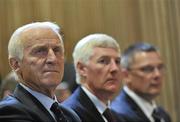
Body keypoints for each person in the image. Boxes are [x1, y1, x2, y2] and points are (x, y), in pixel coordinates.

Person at [0, 22, 81, 122]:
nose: (53, 59)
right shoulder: (9, 112)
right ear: (16, 64)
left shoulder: (70, 115)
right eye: (40, 51)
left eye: (57, 50)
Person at [62, 33, 124, 122]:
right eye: (103, 61)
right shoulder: (70, 115)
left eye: (117, 61)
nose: (114, 68)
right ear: (82, 68)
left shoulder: (116, 116)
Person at [111, 42, 171, 122]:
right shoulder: (117, 115)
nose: (157, 75)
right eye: (147, 69)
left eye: (160, 67)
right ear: (126, 75)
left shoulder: (162, 114)